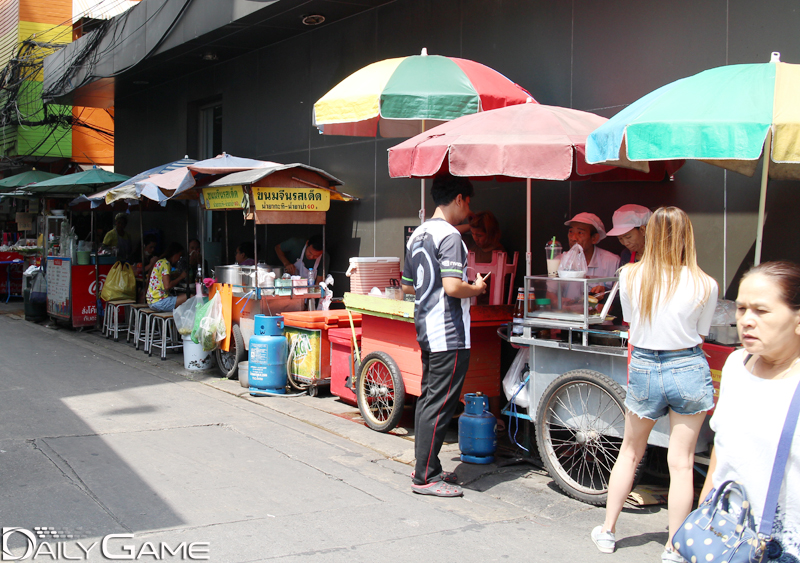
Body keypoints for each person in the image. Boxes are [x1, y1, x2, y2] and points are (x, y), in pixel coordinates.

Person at [590, 207, 718, 562]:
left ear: (651, 235)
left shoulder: (630, 275)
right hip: (688, 364)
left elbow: (631, 323)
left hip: (646, 364)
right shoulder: (706, 283)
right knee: (681, 463)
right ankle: (674, 547)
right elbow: (702, 335)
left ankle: (608, 531)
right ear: (687, 236)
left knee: (629, 453)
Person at [697, 261, 800, 562]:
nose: (746, 321)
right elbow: (722, 449)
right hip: (724, 537)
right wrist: (703, 510)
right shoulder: (735, 365)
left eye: (761, 311)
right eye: (742, 309)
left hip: (783, 548)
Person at [400, 173, 487, 498]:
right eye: (469, 202)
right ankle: (425, 477)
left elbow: (409, 284)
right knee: (439, 403)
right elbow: (453, 287)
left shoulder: (418, 233)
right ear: (461, 198)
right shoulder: (450, 236)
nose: (469, 210)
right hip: (447, 331)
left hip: (425, 325)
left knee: (428, 399)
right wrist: (476, 287)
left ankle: (426, 466)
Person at [562, 212, 620, 298]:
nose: (573, 238)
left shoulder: (612, 262)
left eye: (580, 233)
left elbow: (620, 296)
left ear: (594, 238)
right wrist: (559, 302)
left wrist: (605, 296)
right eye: (571, 232)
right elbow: (551, 293)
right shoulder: (561, 260)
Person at [146, 242, 188, 312]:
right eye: (179, 256)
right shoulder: (166, 263)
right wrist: (181, 277)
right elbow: (167, 286)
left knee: (182, 296)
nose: (179, 259)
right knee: (190, 297)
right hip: (159, 302)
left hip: (152, 302)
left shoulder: (160, 262)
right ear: (175, 254)